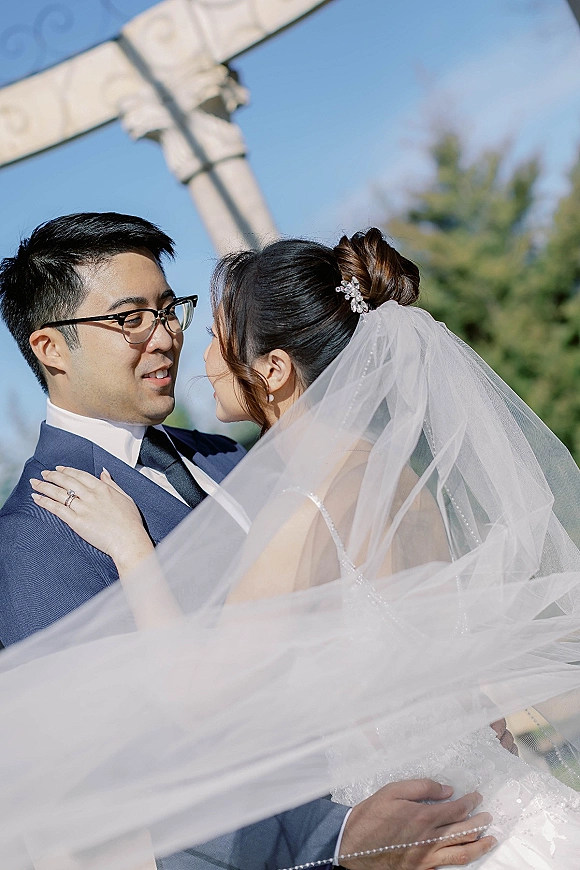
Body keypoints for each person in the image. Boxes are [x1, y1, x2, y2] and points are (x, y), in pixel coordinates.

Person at [29, 228, 580, 868]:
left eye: (215, 337)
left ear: (273, 370)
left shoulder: (306, 506)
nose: (193, 351)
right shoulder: (396, 478)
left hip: (420, 831)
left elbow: (194, 698)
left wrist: (135, 553)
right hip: (502, 804)